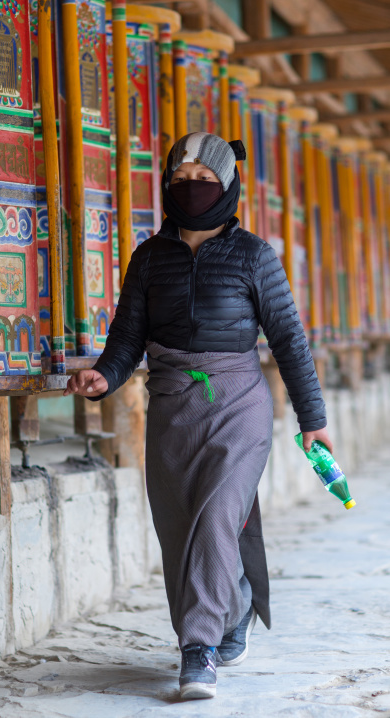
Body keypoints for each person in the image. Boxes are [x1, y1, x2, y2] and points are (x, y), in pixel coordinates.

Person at [64, 132, 332, 700]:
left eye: (204, 179)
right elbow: (127, 339)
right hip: (171, 405)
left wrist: (313, 418)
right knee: (180, 528)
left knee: (216, 516)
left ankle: (198, 648)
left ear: (227, 183)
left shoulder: (255, 255)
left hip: (239, 403)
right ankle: (231, 611)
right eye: (181, 180)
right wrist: (103, 378)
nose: (192, 189)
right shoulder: (149, 257)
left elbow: (289, 340)